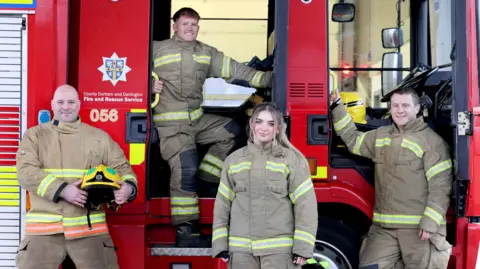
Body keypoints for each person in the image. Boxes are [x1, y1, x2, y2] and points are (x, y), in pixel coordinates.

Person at [151, 7, 273, 247]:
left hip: (197, 121)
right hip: (172, 127)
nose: (189, 28)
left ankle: (208, 179)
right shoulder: (156, 48)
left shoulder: (206, 53)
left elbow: (238, 70)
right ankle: (186, 232)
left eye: (194, 25)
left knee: (234, 130)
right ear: (174, 26)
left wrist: (272, 79)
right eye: (184, 24)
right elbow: (128, 74)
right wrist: (148, 84)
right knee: (186, 169)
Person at [15, 84, 138, 269]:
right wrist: (63, 190)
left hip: (89, 232)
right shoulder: (35, 136)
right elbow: (25, 173)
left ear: (79, 104)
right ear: (52, 104)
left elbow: (123, 168)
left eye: (71, 102)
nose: (66, 107)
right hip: (44, 233)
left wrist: (128, 187)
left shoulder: (99, 137)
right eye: (61, 102)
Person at [330, 87, 453, 269]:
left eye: (405, 105)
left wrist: (430, 222)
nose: (399, 110)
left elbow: (441, 185)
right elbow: (353, 140)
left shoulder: (432, 143)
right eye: (395, 105)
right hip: (384, 229)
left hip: (418, 230)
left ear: (417, 109)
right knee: (369, 266)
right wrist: (337, 106)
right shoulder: (381, 136)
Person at [211, 102, 318, 269]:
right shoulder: (233, 160)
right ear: (251, 124)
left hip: (279, 254)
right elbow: (222, 205)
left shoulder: (291, 160)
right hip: (241, 253)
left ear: (278, 128)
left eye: (271, 123)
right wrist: (220, 244)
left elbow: (306, 206)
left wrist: (303, 248)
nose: (264, 128)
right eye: (259, 121)